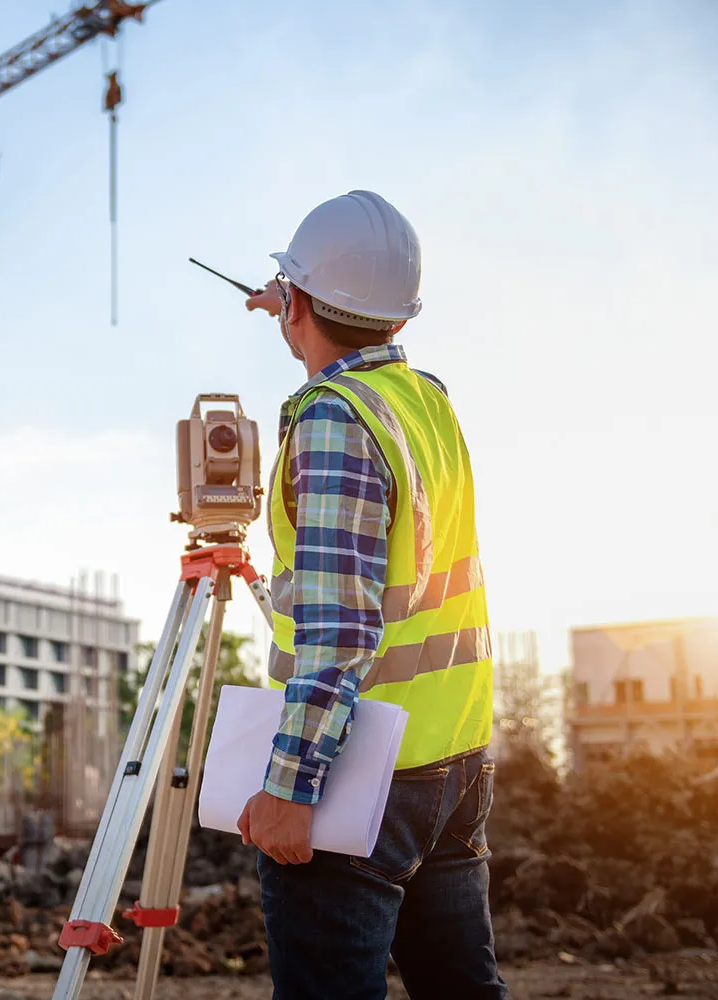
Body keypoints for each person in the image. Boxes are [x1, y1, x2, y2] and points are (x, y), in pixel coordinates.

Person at [235, 191, 507, 999]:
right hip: (453, 761)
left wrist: (288, 790)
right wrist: (299, 303)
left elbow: (341, 629)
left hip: (361, 780)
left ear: (302, 305)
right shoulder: (426, 401)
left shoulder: (333, 421)